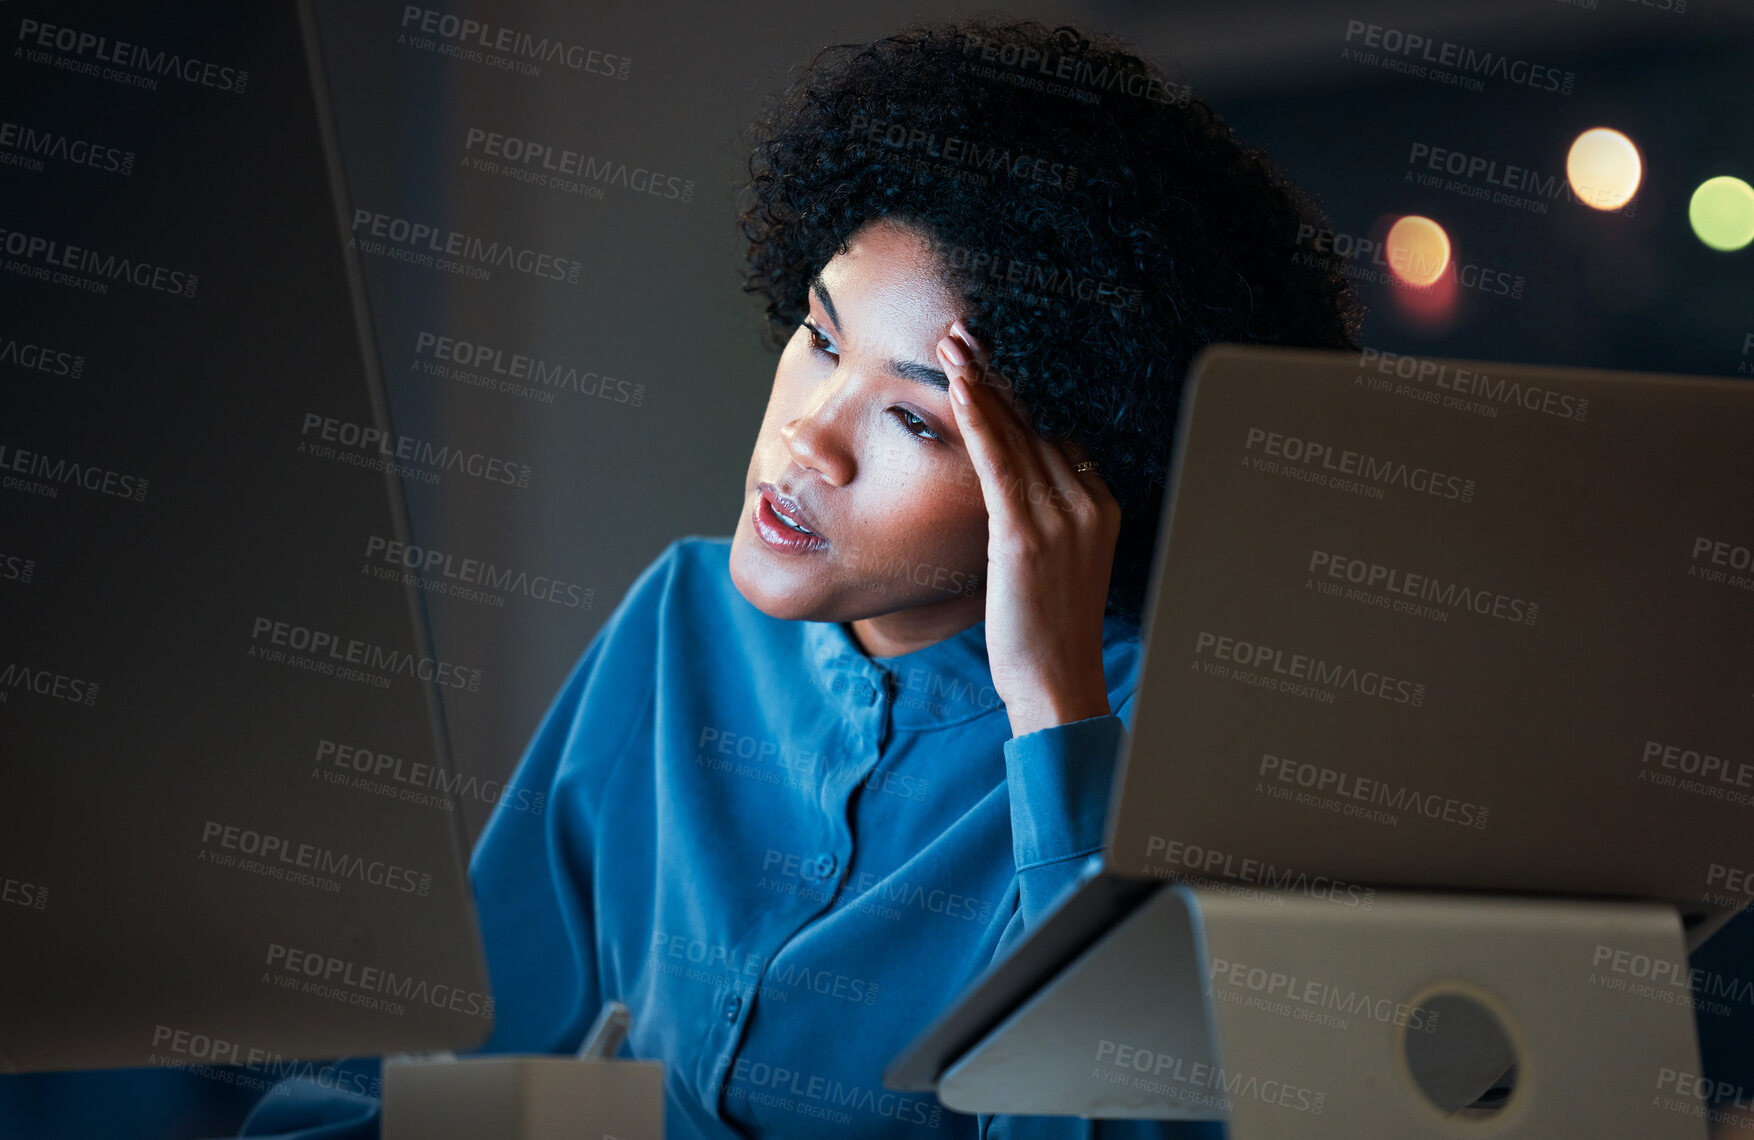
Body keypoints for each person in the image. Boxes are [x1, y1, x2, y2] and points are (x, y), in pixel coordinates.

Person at [233, 15, 1360, 1139]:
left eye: (916, 420)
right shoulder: (680, 622)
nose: (809, 441)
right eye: (821, 340)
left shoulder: (1170, 740)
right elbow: (444, 1057)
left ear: (1076, 483)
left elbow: (1117, 1121)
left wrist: (1053, 717)